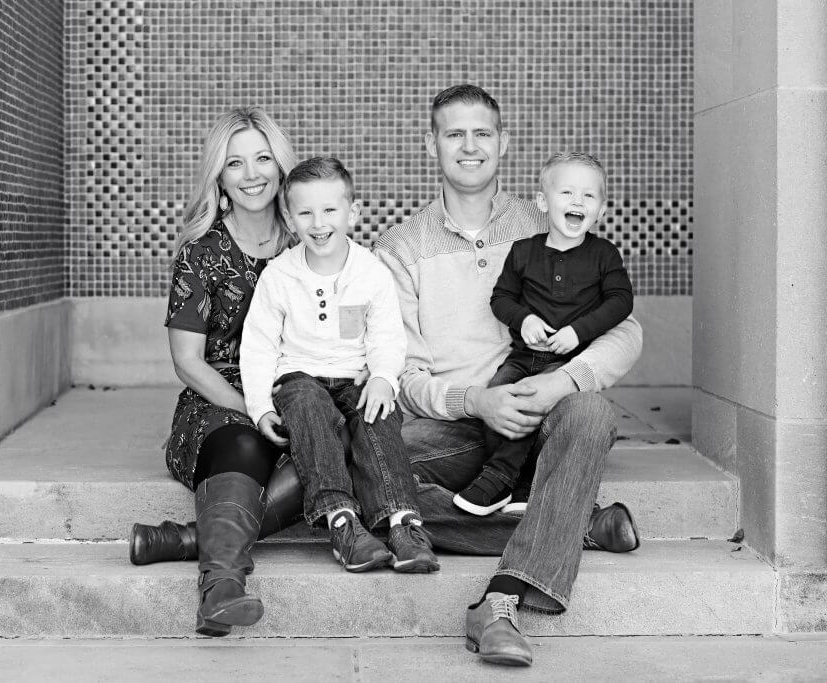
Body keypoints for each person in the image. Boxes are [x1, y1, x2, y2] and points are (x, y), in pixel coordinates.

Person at [373, 84, 643, 667]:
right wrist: (476, 401)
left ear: (503, 143)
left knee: (593, 411)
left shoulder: (548, 222)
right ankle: (572, 521)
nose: (469, 147)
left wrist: (559, 383)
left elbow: (626, 329)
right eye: (454, 134)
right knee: (370, 472)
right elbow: (400, 373)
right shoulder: (399, 247)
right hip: (456, 426)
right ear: (431, 145)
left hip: (545, 409)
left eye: (483, 133)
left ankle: (499, 600)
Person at [138, 105, 302, 638]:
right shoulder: (201, 254)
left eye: (262, 159)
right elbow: (188, 361)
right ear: (220, 176)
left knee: (336, 447)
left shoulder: (310, 240)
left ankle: (188, 538)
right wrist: (253, 409)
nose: (252, 174)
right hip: (219, 402)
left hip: (299, 397)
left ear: (280, 168)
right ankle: (221, 587)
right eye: (236, 163)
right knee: (249, 446)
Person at [240, 157, 439, 574]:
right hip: (299, 378)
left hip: (357, 377)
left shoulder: (371, 272)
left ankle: (403, 524)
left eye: (330, 210)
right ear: (290, 219)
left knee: (378, 416)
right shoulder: (279, 276)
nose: (318, 222)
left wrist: (384, 378)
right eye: (305, 212)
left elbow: (387, 335)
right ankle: (342, 523)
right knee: (310, 407)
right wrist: (260, 407)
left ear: (353, 212)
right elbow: (258, 345)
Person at [452, 151, 634, 516]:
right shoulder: (523, 252)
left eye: (589, 196)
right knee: (500, 395)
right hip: (523, 356)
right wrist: (524, 320)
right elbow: (501, 298)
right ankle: (519, 487)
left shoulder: (604, 254)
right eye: (567, 193)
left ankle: (498, 477)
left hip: (566, 361)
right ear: (542, 202)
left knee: (532, 398)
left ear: (601, 210)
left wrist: (577, 331)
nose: (577, 202)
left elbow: (621, 301)